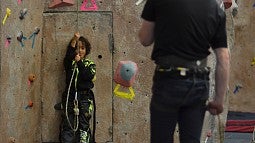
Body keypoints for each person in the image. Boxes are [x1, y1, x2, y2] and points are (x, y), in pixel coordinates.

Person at [138, 0, 230, 143]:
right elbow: (223, 58)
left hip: (167, 79)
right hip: (198, 82)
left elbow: (145, 39)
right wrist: (218, 100)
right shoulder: (214, 8)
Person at [60, 32, 96, 143]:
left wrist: (79, 62)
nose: (79, 50)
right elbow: (68, 55)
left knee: (84, 125)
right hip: (70, 97)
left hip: (84, 98)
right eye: (77, 48)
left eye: (82, 48)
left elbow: (87, 76)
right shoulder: (69, 63)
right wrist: (74, 40)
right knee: (68, 124)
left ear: (86, 50)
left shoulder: (90, 64)